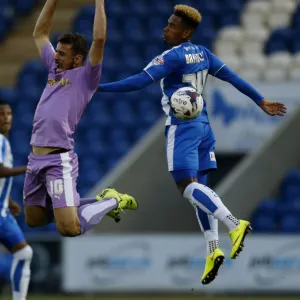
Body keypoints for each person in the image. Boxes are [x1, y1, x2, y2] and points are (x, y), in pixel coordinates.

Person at [97, 4, 286, 284]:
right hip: (203, 127)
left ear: (185, 33)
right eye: (168, 23)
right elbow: (232, 77)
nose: (166, 28)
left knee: (186, 187)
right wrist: (260, 100)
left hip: (182, 127)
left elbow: (138, 82)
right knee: (200, 190)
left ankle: (235, 225)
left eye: (172, 25)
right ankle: (212, 249)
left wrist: (96, 87)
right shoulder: (204, 53)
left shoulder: (171, 57)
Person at [23, 0, 138, 237]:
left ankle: (111, 201)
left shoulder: (87, 77)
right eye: (57, 52)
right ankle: (95, 200)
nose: (56, 57)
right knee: (34, 219)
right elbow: (40, 33)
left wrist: (99, 2)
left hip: (57, 160)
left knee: (69, 228)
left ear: (77, 59)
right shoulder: (54, 71)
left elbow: (99, 40)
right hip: (35, 159)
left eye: (62, 54)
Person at [0, 100, 33, 300]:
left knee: (23, 254)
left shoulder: (5, 142)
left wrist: (10, 201)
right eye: (1, 114)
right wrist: (27, 168)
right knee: (24, 254)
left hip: (3, 210)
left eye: (9, 113)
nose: (6, 118)